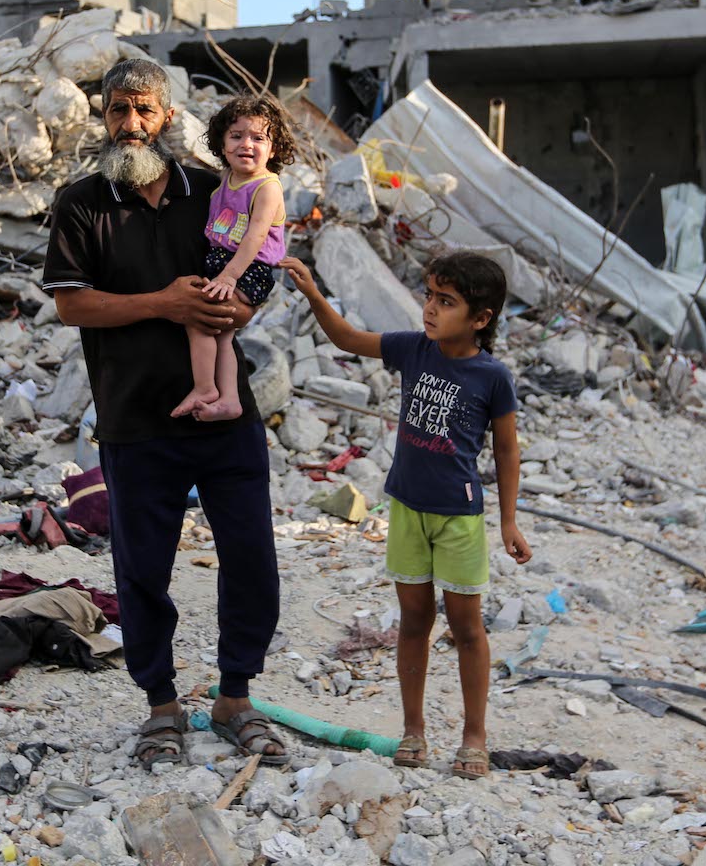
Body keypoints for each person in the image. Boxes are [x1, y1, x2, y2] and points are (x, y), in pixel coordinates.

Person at [43, 58, 288, 769]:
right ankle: (161, 707)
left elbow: (261, 257)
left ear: (169, 116)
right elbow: (70, 303)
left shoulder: (216, 190)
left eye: (145, 110)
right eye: (118, 110)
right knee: (142, 571)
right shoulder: (81, 202)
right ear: (103, 115)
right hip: (134, 417)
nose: (131, 125)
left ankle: (236, 698)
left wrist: (244, 302)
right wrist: (165, 303)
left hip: (224, 417)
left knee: (250, 558)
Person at [281, 250, 531, 778]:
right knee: (414, 620)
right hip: (407, 510)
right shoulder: (415, 349)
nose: (431, 310)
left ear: (481, 318)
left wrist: (508, 521)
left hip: (459, 517)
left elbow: (507, 451)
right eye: (429, 297)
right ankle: (413, 730)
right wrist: (312, 293)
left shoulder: (493, 377)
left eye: (447, 301)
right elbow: (348, 339)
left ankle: (474, 735)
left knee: (467, 627)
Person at [170, 95, 291, 421]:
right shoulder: (227, 180)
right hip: (224, 261)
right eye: (236, 136)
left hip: (249, 267)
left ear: (274, 148)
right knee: (221, 333)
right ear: (222, 144)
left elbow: (254, 237)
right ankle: (229, 400)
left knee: (201, 319)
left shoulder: (267, 187)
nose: (246, 144)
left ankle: (206, 387)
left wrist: (229, 277)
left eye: (258, 138)